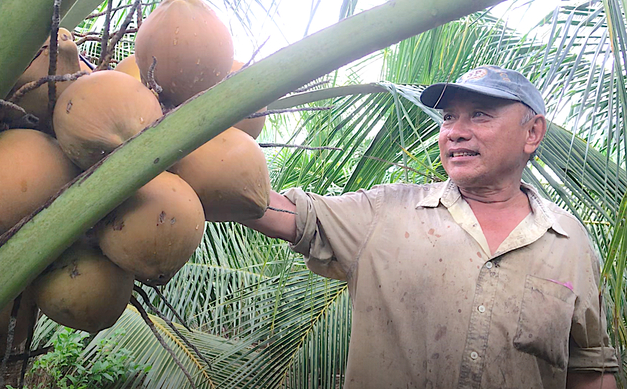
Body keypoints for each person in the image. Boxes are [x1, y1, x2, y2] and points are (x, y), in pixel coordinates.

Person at [240, 65, 619, 388]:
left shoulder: (569, 241)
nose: (455, 131)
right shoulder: (386, 211)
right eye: (449, 117)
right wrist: (212, 160)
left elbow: (590, 369)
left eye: (480, 115)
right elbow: (282, 212)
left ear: (532, 133)